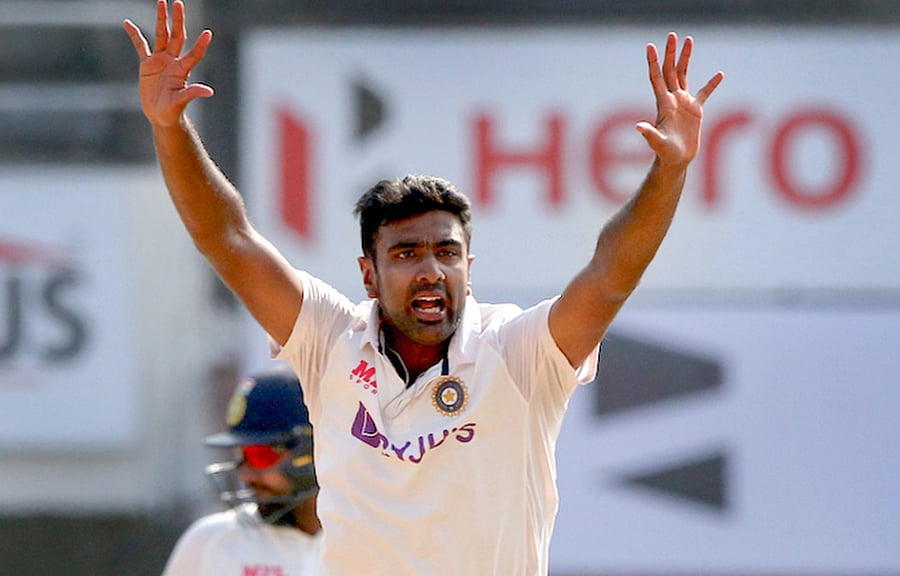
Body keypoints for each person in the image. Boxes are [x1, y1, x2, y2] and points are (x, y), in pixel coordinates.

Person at [124, 2, 723, 574]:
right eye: (406, 254)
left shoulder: (516, 353)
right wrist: (169, 127)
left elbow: (609, 276)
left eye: (447, 252)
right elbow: (229, 239)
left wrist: (669, 171)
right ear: (369, 273)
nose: (431, 270)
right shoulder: (329, 339)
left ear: (469, 265)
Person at [161, 368, 322, 576]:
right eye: (242, 456)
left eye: (260, 455)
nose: (245, 475)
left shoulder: (368, 538)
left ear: (313, 449)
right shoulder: (209, 543)